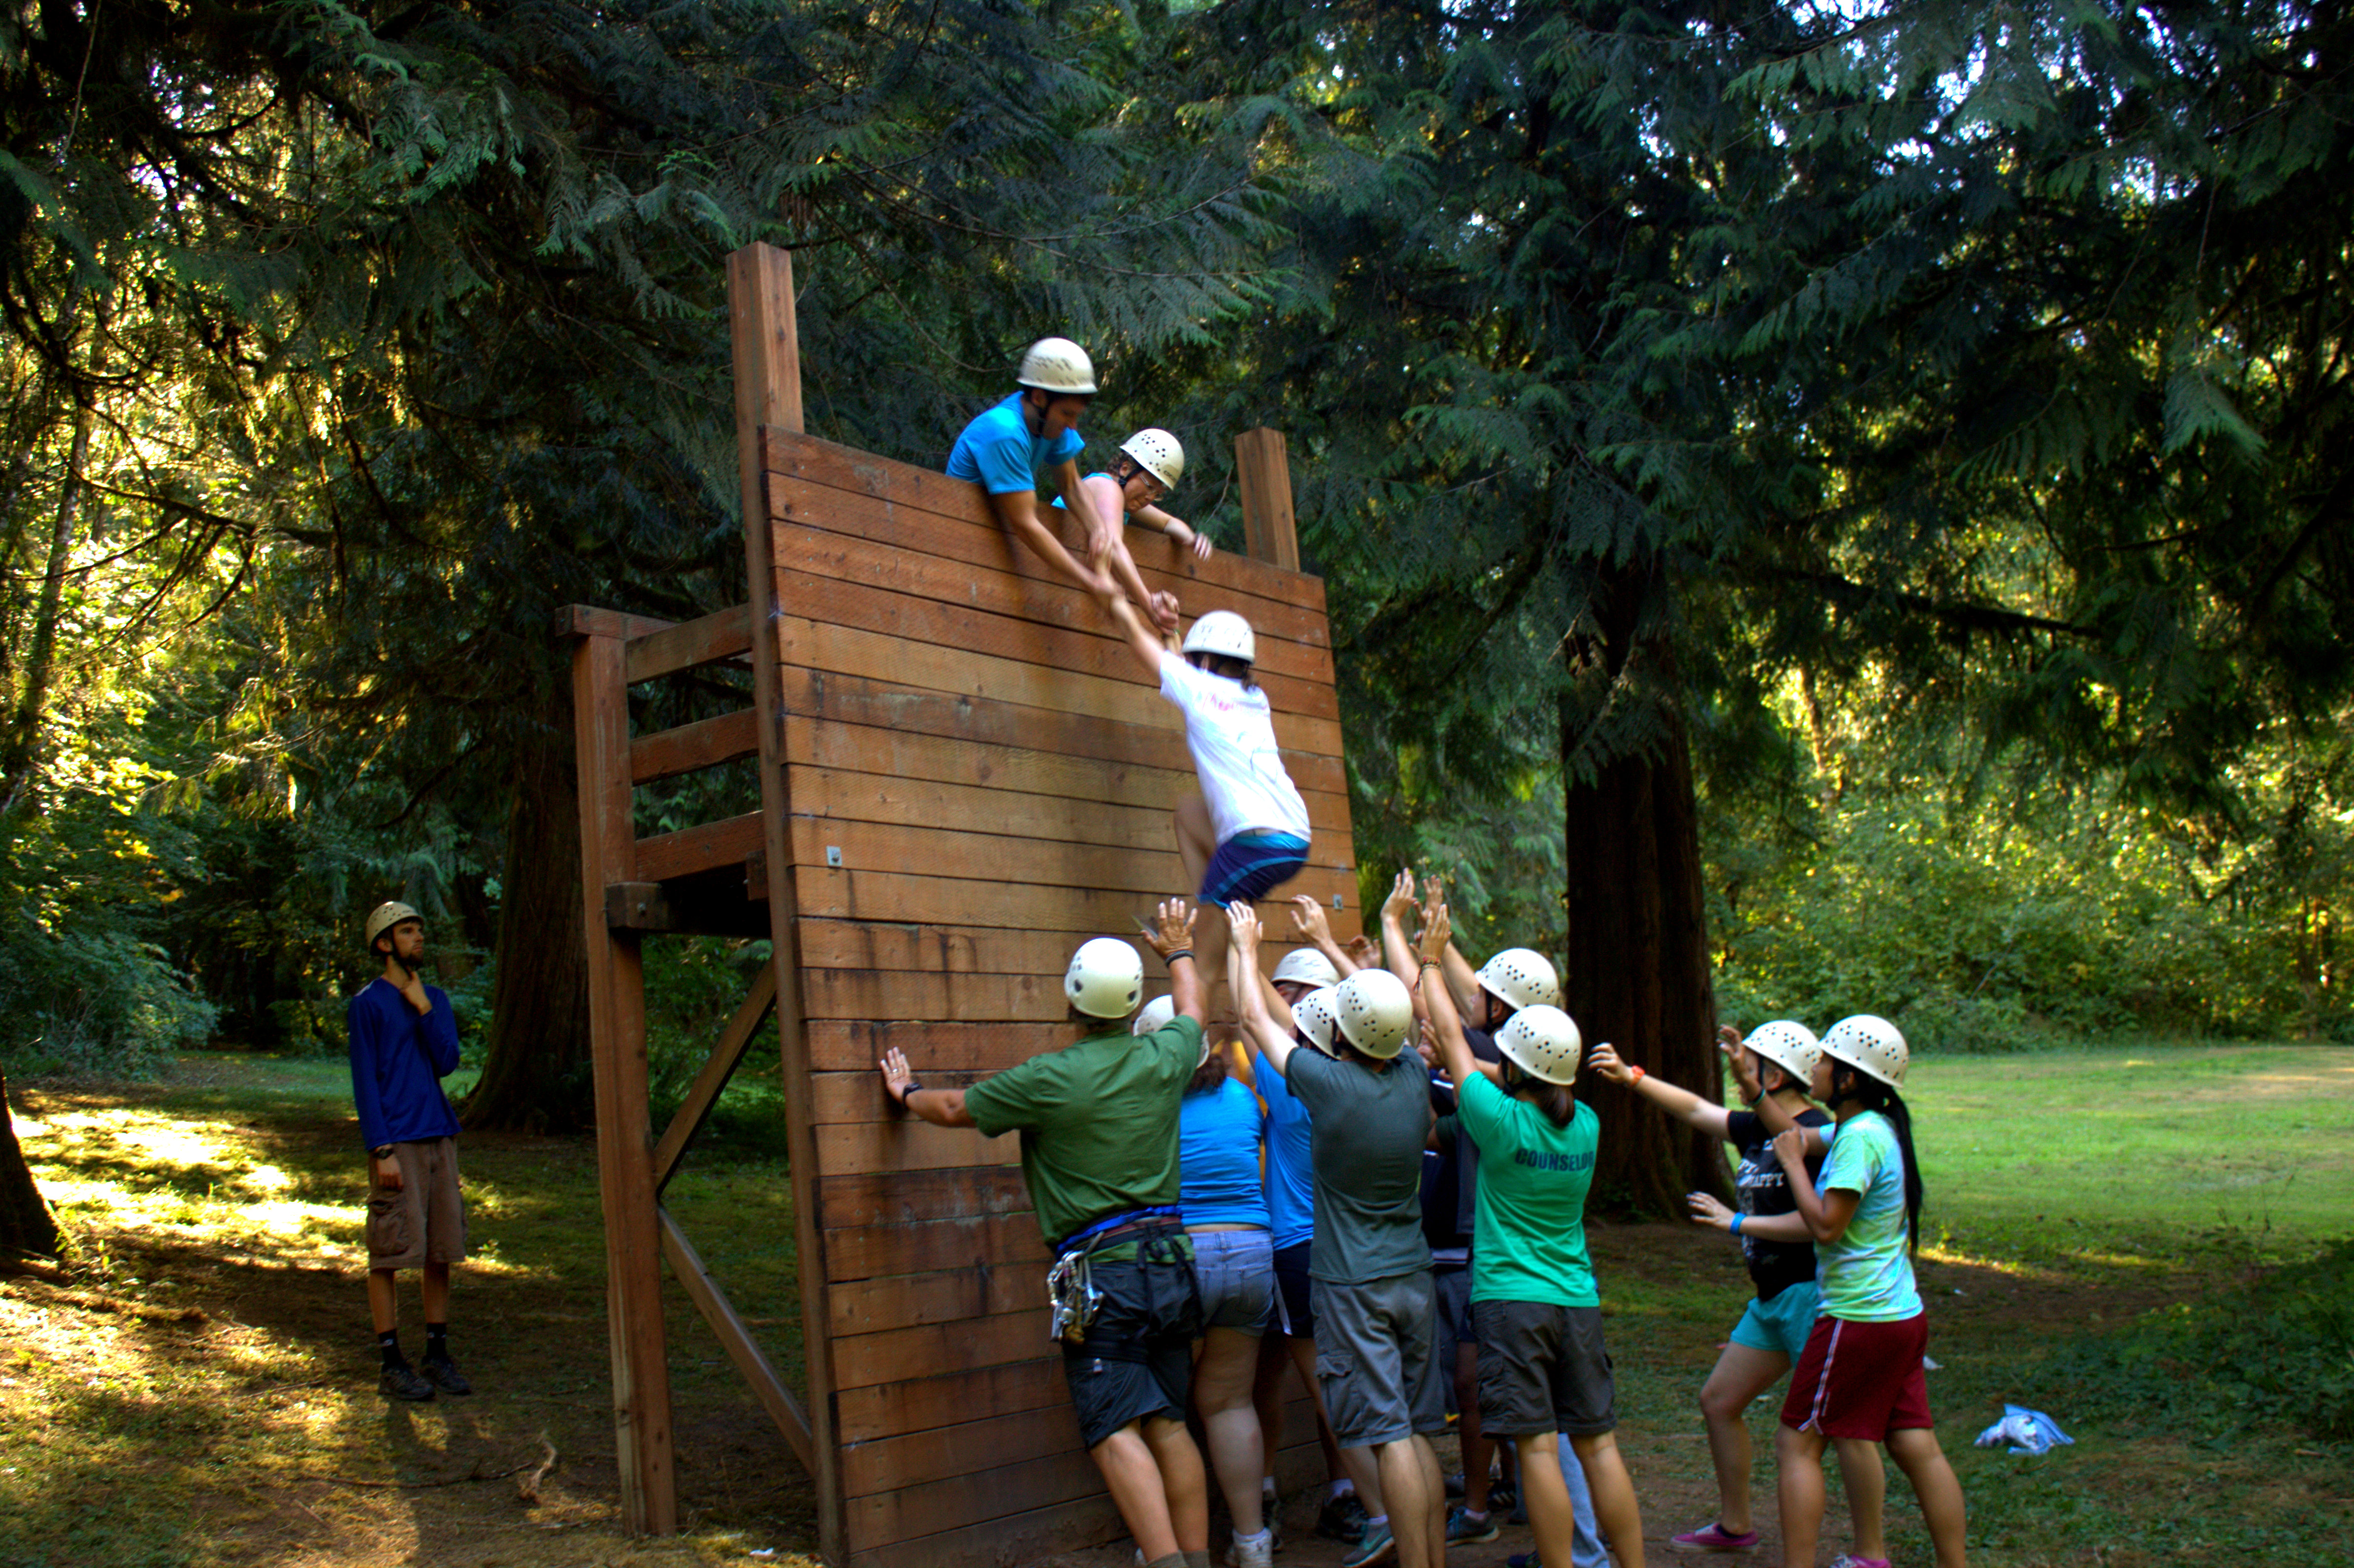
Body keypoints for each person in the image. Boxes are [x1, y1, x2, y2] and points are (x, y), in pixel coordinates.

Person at [879, 904, 1212, 1568]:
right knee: (1170, 1421)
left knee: (1113, 1426)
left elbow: (955, 1107)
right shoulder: (1165, 1056)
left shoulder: (1048, 1079)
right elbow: (1194, 1011)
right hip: (1172, 1262)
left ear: (1071, 1000)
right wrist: (1178, 950)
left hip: (1104, 1275)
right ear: (1131, 1005)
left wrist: (907, 1090)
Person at [1587, 1024, 1887, 1558]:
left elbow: (1818, 1224)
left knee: (1838, 1431)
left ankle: (1870, 1550)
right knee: (1720, 1401)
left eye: (1748, 1064)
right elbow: (1696, 1110)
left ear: (1776, 1074)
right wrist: (1632, 1077)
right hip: (1771, 1300)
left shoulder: (1816, 1134)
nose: (1739, 1073)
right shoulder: (1758, 1126)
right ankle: (1736, 1526)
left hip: (1811, 1298)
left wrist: (1736, 1222)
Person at [1414, 900, 1648, 1568]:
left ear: (1513, 1066)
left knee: (1539, 1446)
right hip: (1577, 1300)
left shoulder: (1496, 1120)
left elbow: (1454, 1043)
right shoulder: (1586, 1126)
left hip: (1511, 1303)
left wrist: (1429, 959)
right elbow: (1500, 1069)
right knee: (1599, 1444)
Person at [1688, 1016, 1969, 1568]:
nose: (1813, 1067)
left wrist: (1792, 1166)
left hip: (1856, 1319)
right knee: (1914, 1444)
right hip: (1901, 1316)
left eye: (1824, 1060)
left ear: (1848, 1078)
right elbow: (1787, 1132)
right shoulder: (1873, 1128)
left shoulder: (1857, 1140)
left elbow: (1825, 1225)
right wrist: (1750, 1084)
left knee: (1797, 1442)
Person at [1230, 903, 1443, 1568]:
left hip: (1355, 1285)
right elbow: (1392, 1016)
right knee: (1418, 1433)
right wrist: (1333, 947)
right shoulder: (1412, 1075)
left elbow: (1256, 1020)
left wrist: (1245, 948)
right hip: (1414, 1274)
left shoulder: (1327, 1086)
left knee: (1389, 1435)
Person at [1099, 593, 1313, 1018]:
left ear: (1208, 662)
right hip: (1292, 837)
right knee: (1189, 813)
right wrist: (1173, 633)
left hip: (1256, 846)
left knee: (1205, 970)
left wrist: (1113, 594)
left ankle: (1192, 1046)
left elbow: (1139, 640)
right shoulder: (1254, 697)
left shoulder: (1198, 688)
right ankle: (1210, 908)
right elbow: (1191, 677)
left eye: (1196, 661)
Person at [1154, 992, 1276, 1568]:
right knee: (1229, 1403)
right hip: (1252, 1252)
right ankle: (1253, 1543)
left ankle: (1172, 1547)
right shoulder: (1245, 1098)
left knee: (1168, 1408)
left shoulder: (1152, 1103)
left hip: (1186, 1254)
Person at [946, 337, 1178, 631]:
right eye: (1068, 414)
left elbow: (1071, 486)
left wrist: (1098, 531)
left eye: (1077, 416)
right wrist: (1090, 580)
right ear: (1039, 398)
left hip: (986, 548)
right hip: (956, 540)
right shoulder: (1005, 431)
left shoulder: (1052, 425)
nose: (1073, 426)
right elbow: (1026, 524)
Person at [348, 899, 470, 1402]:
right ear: (384, 944)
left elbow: (447, 1061)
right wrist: (381, 1149)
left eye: (420, 929)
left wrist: (424, 1009)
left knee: (441, 1249)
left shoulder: (434, 998)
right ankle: (391, 1362)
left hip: (439, 1136)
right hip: (397, 1141)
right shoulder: (367, 1004)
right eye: (407, 931)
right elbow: (364, 1081)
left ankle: (436, 1353)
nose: (419, 937)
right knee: (390, 1250)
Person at [1053, 427, 1215, 561]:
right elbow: (1115, 546)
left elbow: (1168, 523)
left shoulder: (1125, 501)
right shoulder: (1106, 487)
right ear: (1125, 469)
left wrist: (1192, 540)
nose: (1150, 498)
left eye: (1157, 494)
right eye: (1149, 486)